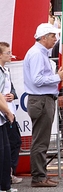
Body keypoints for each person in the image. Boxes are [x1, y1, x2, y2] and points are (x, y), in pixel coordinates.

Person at [23, 23, 63, 187]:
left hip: (42, 99)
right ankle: (38, 177)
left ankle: (41, 175)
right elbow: (37, 80)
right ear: (43, 37)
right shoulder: (36, 54)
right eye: (53, 36)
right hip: (40, 99)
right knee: (40, 141)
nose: (55, 39)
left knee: (41, 140)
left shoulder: (39, 53)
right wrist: (57, 77)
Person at [0, 42, 22, 184]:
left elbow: (12, 89)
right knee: (6, 147)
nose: (10, 55)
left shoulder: (6, 71)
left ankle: (9, 173)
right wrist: (7, 111)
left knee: (14, 143)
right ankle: (6, 176)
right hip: (4, 113)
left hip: (9, 111)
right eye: (8, 53)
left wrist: (12, 95)